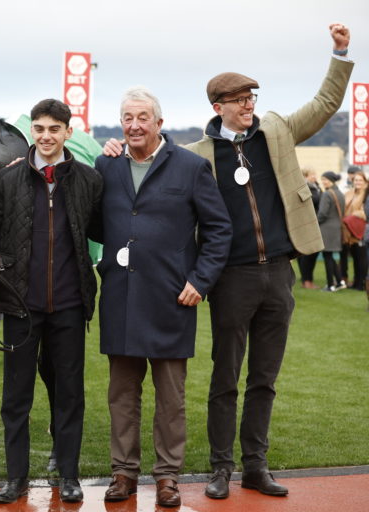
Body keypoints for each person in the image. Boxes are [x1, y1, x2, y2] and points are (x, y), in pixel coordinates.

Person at [103, 22, 353, 500]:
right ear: (217, 107)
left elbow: (324, 106)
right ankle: (221, 468)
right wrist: (119, 146)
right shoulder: (196, 154)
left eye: (251, 97)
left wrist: (340, 55)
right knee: (225, 378)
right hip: (230, 278)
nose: (249, 105)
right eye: (239, 99)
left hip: (279, 271)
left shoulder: (277, 129)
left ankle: (255, 466)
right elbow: (149, 155)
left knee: (265, 378)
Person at [96, 87, 231, 507]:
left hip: (173, 299)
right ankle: (123, 473)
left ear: (159, 122)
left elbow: (219, 229)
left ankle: (168, 476)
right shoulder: (106, 164)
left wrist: (201, 280)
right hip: (121, 297)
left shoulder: (191, 167)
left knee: (170, 399)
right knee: (121, 395)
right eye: (127, 118)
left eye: (142, 117)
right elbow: (96, 223)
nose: (134, 125)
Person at [0, 99, 102, 504]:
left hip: (69, 304)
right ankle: (16, 478)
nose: (46, 137)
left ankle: (68, 475)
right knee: (16, 398)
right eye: (39, 129)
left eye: (54, 129)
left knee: (69, 395)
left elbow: (106, 228)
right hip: (19, 305)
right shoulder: (7, 180)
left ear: (68, 132)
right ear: (32, 130)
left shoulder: (88, 180)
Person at [318, 171, 347, 291]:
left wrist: (315, 223)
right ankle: (340, 282)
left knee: (327, 256)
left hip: (326, 229)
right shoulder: (340, 193)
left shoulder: (327, 194)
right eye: (322, 179)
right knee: (330, 256)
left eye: (325, 179)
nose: (323, 182)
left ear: (332, 180)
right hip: (336, 228)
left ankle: (330, 285)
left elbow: (322, 214)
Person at [341, 170, 367, 290]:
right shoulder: (349, 193)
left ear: (365, 181)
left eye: (360, 180)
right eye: (356, 180)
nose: (358, 182)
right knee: (355, 258)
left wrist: (356, 214)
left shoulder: (366, 194)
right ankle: (356, 281)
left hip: (361, 231)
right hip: (348, 231)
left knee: (361, 258)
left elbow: (366, 213)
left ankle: (362, 283)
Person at [297, 169, 321, 289]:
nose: (315, 177)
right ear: (306, 176)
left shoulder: (315, 186)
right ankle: (307, 281)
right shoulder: (304, 187)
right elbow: (311, 202)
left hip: (312, 224)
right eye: (313, 175)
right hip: (307, 224)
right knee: (308, 254)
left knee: (310, 253)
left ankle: (306, 279)